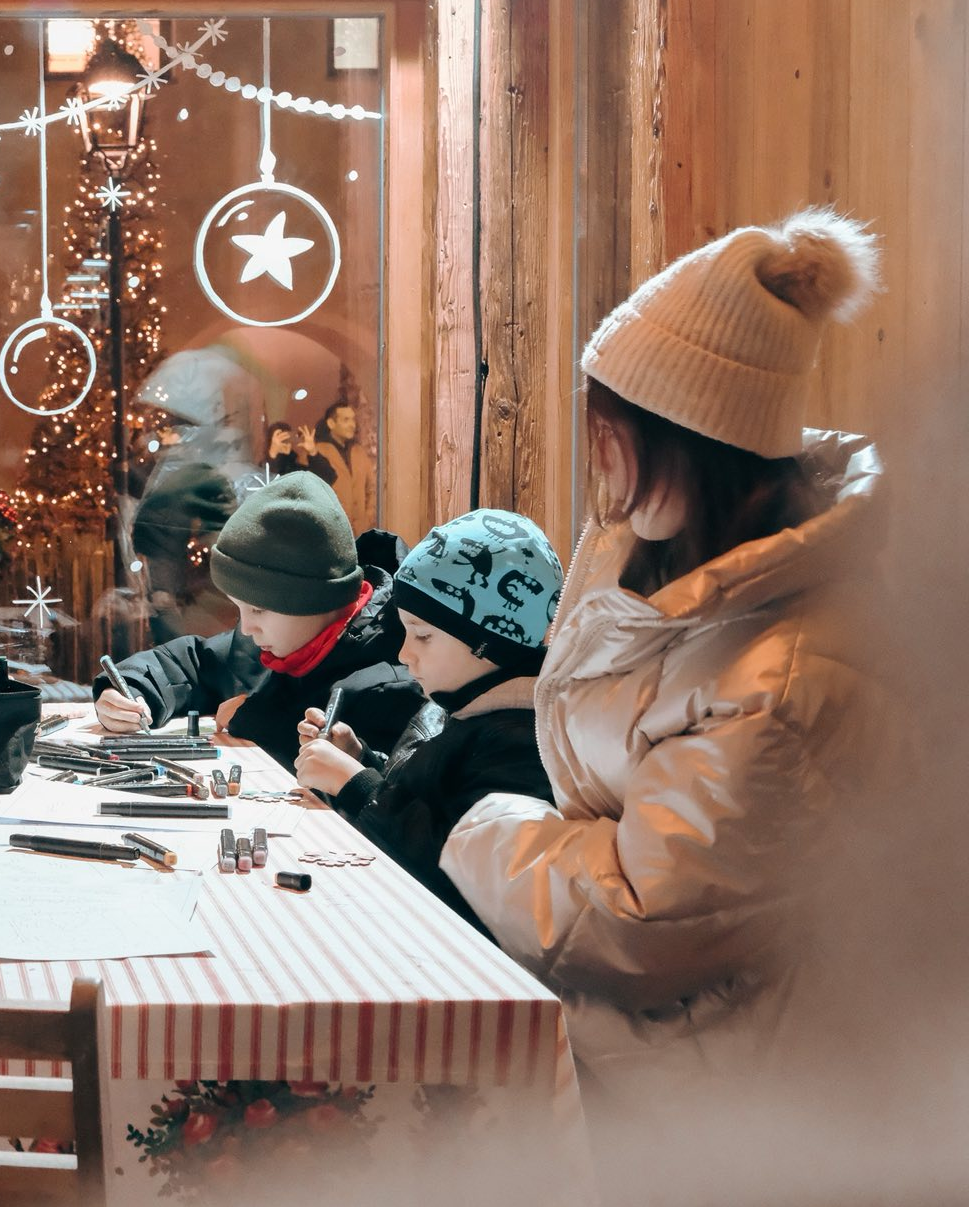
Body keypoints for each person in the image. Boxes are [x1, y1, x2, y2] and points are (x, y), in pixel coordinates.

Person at [440, 209, 888, 1089]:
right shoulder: (662, 573)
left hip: (723, 1094)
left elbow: (644, 917)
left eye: (615, 433)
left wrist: (479, 828)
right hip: (646, 1051)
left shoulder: (777, 673)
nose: (601, 460)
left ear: (691, 442)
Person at [293, 509, 562, 930]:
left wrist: (357, 786)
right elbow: (428, 791)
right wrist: (362, 758)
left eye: (423, 635)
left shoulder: (522, 744)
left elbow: (456, 868)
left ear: (486, 642)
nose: (405, 654)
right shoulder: (460, 701)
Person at [91, 472, 421, 767]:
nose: (247, 628)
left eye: (258, 610)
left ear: (313, 599)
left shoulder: (394, 682)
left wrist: (256, 721)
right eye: (241, 609)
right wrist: (129, 689)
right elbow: (192, 662)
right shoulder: (278, 640)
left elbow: (375, 788)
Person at [300, 399, 374, 533]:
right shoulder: (316, 452)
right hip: (330, 531)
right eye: (346, 420)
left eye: (353, 420)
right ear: (331, 423)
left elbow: (372, 489)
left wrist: (367, 518)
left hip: (360, 533)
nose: (352, 425)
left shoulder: (359, 452)